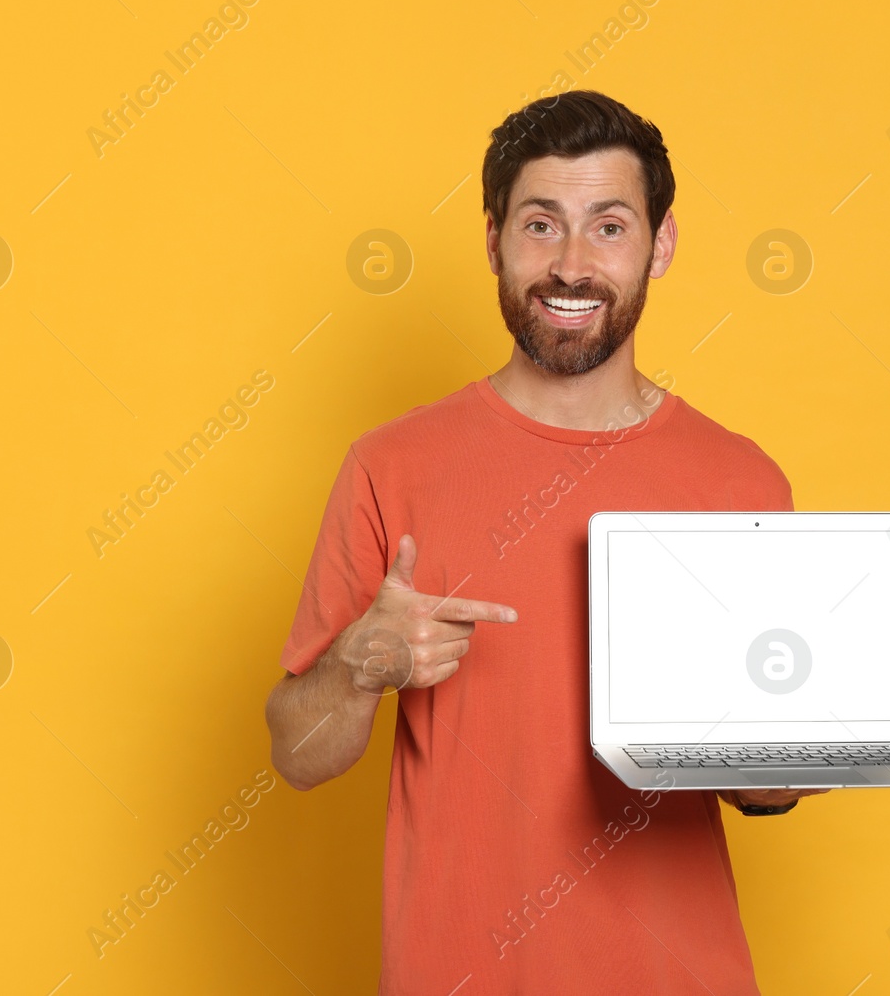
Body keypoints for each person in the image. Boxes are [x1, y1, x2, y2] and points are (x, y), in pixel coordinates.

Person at [265, 89, 826, 995]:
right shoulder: (389, 464)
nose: (571, 266)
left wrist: (798, 745)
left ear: (661, 243)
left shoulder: (739, 482)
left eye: (609, 227)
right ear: (493, 241)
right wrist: (358, 664)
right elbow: (297, 754)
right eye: (540, 225)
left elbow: (765, 793)